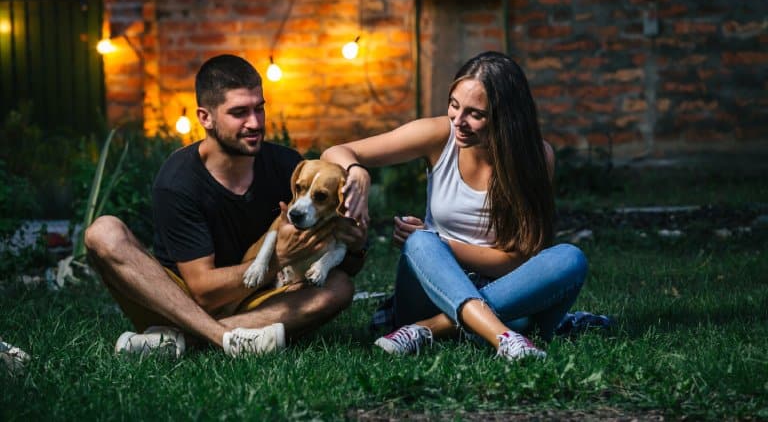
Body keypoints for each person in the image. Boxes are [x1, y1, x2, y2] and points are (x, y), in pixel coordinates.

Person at [85, 54, 368, 358]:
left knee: (338, 288)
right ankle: (224, 338)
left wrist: (356, 245)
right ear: (205, 117)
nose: (255, 123)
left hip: (258, 299)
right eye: (239, 112)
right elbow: (204, 293)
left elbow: (345, 263)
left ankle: (182, 343)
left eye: (259, 108)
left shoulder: (288, 167)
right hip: (178, 302)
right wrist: (278, 258)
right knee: (103, 232)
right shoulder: (178, 179)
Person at [321, 51, 588, 361]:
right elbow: (336, 151)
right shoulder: (438, 135)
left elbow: (518, 261)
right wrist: (358, 172)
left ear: (507, 117)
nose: (458, 121)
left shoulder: (537, 158)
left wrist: (445, 244)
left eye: (475, 114)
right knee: (419, 242)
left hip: (505, 292)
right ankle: (503, 337)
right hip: (430, 289)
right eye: (454, 105)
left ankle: (426, 332)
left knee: (571, 258)